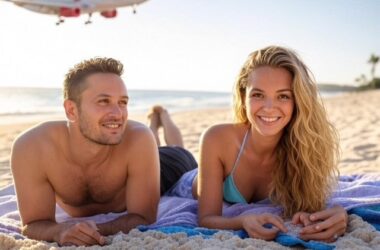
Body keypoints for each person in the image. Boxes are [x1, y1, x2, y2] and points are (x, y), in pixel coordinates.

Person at [168, 45, 348, 242]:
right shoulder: (216, 138)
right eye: (258, 95)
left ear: (298, 101)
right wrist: (242, 220)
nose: (269, 108)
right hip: (180, 174)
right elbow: (207, 218)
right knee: (176, 150)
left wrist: (339, 213)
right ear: (244, 97)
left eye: (283, 96)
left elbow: (319, 203)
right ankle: (161, 118)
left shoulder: (305, 148)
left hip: (201, 166)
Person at [10, 57, 196, 246]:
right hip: (137, 152)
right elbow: (33, 224)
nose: (118, 113)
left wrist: (88, 230)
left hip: (165, 165)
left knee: (176, 149)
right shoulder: (33, 148)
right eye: (103, 101)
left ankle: (162, 116)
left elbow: (142, 217)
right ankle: (154, 124)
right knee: (149, 140)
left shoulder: (138, 138)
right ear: (71, 110)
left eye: (123, 102)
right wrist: (59, 231)